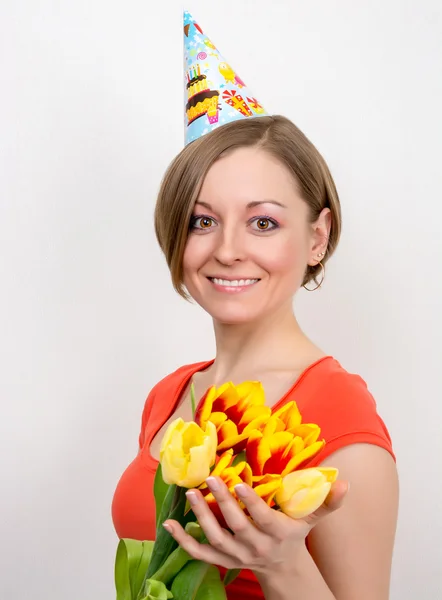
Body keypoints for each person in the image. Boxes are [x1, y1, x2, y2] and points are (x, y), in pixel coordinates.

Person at [112, 12, 398, 600]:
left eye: (262, 222)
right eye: (203, 220)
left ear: (316, 237)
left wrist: (282, 564)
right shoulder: (170, 395)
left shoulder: (340, 417)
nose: (228, 249)